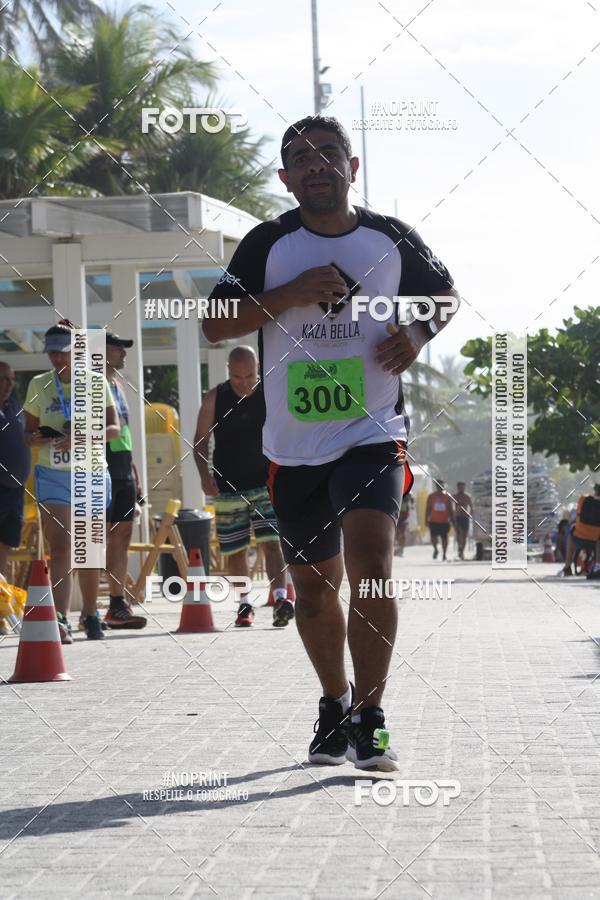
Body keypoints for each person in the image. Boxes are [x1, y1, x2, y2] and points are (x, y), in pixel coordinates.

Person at [203, 115, 460, 770]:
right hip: (292, 446)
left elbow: (445, 296)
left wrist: (416, 334)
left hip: (373, 431)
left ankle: (371, 717)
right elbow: (214, 324)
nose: (315, 163)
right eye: (300, 157)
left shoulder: (390, 238)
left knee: (371, 560)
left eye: (328, 153)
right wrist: (288, 294)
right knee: (314, 590)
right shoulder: (268, 244)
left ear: (352, 167)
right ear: (286, 178)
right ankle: (334, 704)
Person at [23, 322, 120, 642]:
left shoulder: (96, 382)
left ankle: (90, 614)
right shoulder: (39, 383)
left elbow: (114, 429)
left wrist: (84, 437)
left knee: (90, 547)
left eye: (62, 352)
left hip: (91, 473)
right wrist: (35, 438)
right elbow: (27, 433)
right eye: (51, 353)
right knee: (61, 545)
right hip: (53, 473)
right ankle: (60, 617)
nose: (56, 358)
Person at [193, 345, 292, 628]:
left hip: (266, 484)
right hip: (227, 486)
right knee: (235, 549)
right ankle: (244, 604)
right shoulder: (215, 397)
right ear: (228, 371)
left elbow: (288, 432)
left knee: (271, 542)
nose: (245, 383)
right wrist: (204, 476)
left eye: (250, 376)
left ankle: (281, 599)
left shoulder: (270, 393)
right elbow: (200, 441)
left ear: (258, 369)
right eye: (237, 377)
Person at [103, 332, 147, 629]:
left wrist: (135, 477)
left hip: (123, 469)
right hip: (100, 467)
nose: (123, 353)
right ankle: (83, 609)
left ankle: (117, 604)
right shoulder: (89, 384)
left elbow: (126, 433)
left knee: (122, 536)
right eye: (118, 348)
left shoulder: (118, 385)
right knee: (94, 539)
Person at [0, 362, 32, 577]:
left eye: (12, 379)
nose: (9, 384)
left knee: (6, 542)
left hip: (15, 488)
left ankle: (1, 592)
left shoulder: (15, 407)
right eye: (4, 379)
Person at [562, 485, 600, 576]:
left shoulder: (583, 498)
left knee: (571, 533)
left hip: (580, 537)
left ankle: (567, 566)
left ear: (595, 491)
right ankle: (597, 566)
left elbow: (578, 514)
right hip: (596, 539)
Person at [425, 481, 454, 561]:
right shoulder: (431, 496)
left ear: (443, 486)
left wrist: (452, 519)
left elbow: (450, 508)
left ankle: (444, 554)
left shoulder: (447, 496)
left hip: (444, 521)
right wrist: (426, 519)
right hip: (434, 520)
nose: (440, 487)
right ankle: (436, 549)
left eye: (441, 486)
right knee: (433, 537)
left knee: (444, 538)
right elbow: (428, 508)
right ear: (436, 486)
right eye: (438, 486)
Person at [452, 481, 472, 560]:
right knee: (459, 534)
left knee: (464, 536)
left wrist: (469, 514)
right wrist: (453, 515)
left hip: (465, 518)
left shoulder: (467, 496)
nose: (461, 489)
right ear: (457, 488)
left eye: (462, 487)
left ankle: (462, 551)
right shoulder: (455, 496)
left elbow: (471, 507)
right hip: (457, 517)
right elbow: (451, 506)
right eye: (460, 487)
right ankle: (460, 547)